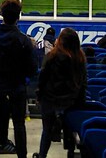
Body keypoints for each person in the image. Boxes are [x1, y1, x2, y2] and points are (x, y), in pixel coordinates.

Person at [0, 0, 36, 158]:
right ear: (18, 16)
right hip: (16, 87)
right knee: (19, 124)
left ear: (2, 14)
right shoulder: (23, 40)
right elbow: (32, 68)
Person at [33, 27, 87, 158]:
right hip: (71, 102)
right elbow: (83, 82)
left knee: (46, 130)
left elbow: (42, 79)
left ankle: (42, 155)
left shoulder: (51, 56)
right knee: (70, 131)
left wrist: (39, 96)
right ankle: (70, 154)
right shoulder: (80, 59)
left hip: (50, 100)